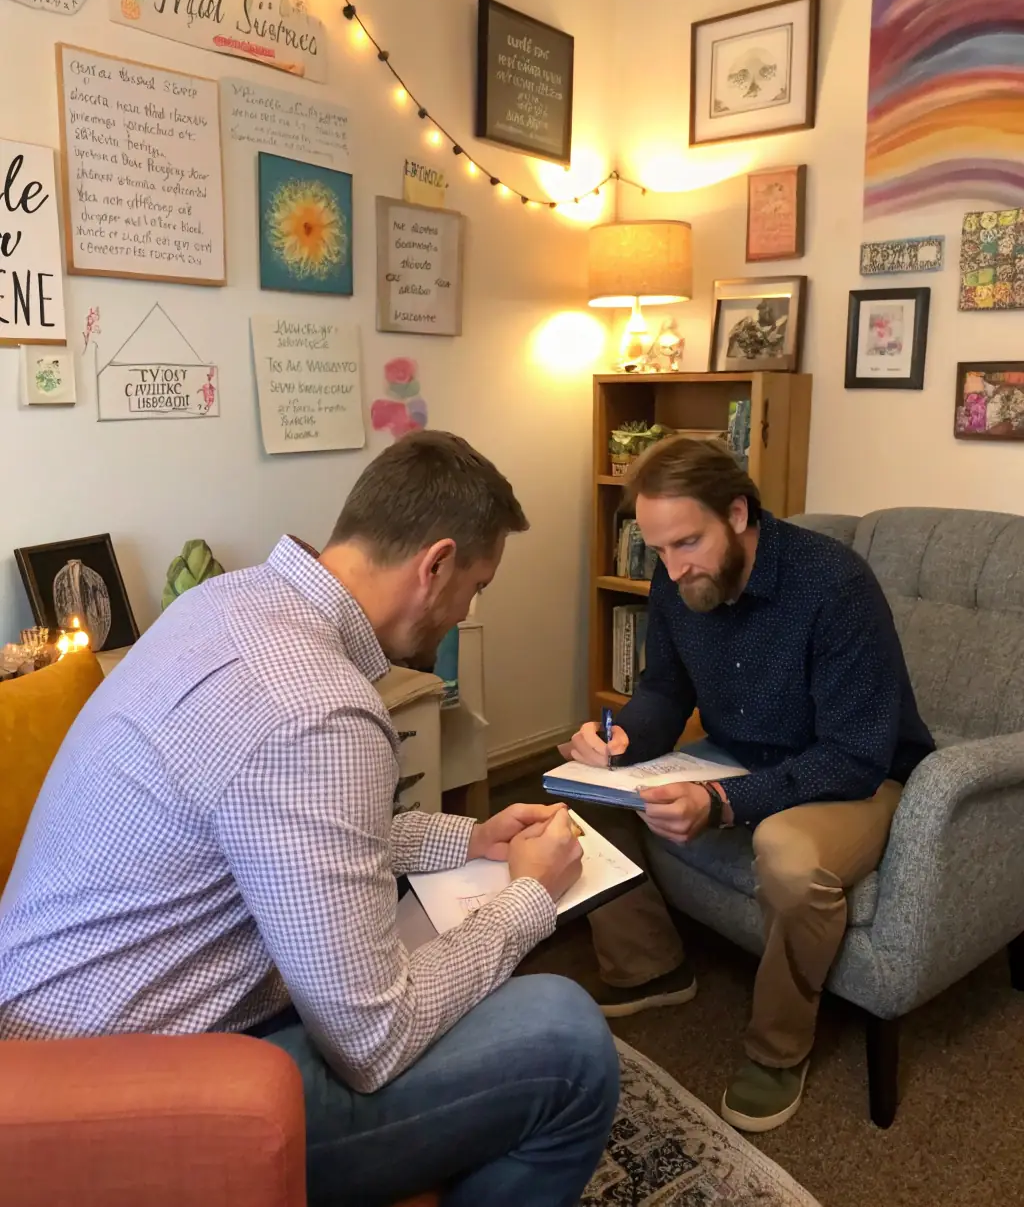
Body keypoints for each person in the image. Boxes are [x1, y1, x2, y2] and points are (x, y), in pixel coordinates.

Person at [0, 431, 619, 1207]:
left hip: (43, 1039)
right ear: (435, 565)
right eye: (477, 585)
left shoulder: (222, 604)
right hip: (111, 1103)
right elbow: (374, 1041)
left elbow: (288, 835)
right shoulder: (319, 708)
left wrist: (470, 837)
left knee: (419, 934)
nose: (467, 609)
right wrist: (529, 900)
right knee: (568, 1040)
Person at [565, 435, 933, 1133]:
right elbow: (664, 690)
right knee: (584, 785)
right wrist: (623, 740)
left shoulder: (834, 585)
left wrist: (724, 801)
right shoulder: (679, 581)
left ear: (737, 512)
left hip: (855, 775)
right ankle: (651, 966)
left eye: (686, 543)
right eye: (659, 550)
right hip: (735, 756)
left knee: (789, 857)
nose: (672, 569)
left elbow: (854, 753)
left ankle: (777, 1050)